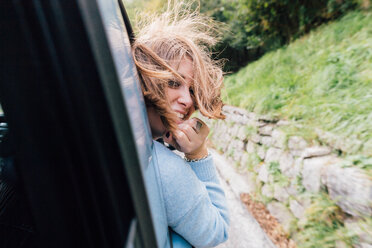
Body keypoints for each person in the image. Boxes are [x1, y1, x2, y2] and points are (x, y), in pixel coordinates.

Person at [131, 2, 229, 247]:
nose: (188, 100)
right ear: (145, 78)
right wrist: (198, 154)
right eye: (174, 82)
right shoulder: (165, 168)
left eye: (192, 89)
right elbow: (218, 231)